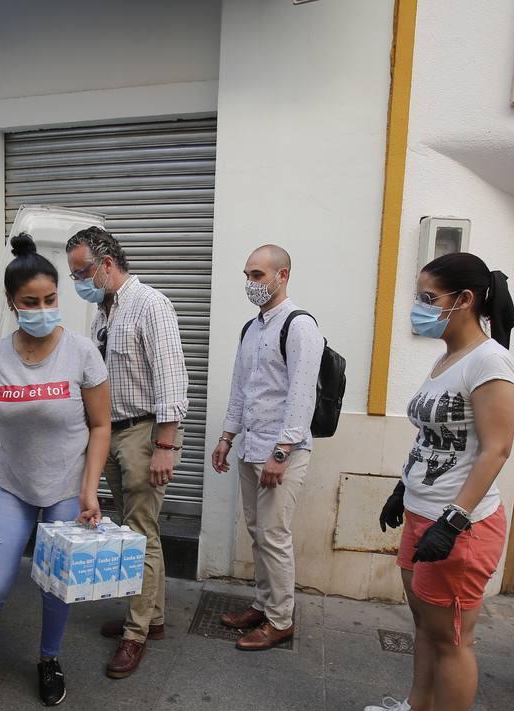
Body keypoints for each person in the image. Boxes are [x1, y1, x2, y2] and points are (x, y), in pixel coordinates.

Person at [0, 234, 111, 710]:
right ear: (13, 303)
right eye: (32, 302)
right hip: (13, 486)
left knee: (54, 585)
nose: (44, 309)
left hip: (66, 489)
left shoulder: (82, 353)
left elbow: (101, 424)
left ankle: (49, 659)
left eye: (51, 299)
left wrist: (89, 490)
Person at [365, 252, 514, 711]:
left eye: (428, 299)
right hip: (422, 512)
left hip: (460, 527)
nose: (418, 308)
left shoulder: (489, 361)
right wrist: (400, 488)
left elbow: (495, 450)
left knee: (453, 637)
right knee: (425, 625)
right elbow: (437, 439)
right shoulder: (447, 359)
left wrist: (454, 519)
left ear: (464, 301)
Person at [65, 227, 189, 679]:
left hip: (142, 433)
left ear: (107, 263)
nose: (79, 280)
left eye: (82, 271)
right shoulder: (105, 312)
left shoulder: (150, 304)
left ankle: (136, 634)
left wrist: (164, 445)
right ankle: (150, 618)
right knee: (135, 528)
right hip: (112, 433)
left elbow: (171, 377)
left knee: (140, 533)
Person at [210, 245, 324, 651]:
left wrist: (282, 452)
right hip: (250, 447)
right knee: (258, 532)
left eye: (258, 275)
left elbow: (301, 393)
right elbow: (241, 389)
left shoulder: (300, 326)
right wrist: (227, 437)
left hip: (281, 452)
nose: (250, 284)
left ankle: (281, 620)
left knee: (274, 534)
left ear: (283, 275)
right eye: (247, 275)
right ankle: (263, 603)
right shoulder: (252, 328)